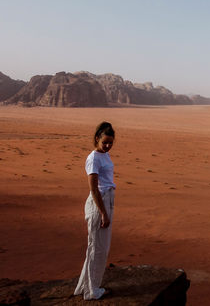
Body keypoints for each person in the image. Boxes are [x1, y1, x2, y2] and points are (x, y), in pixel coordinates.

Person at [74, 121, 116, 300]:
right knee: (97, 249)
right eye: (104, 142)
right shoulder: (93, 158)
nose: (107, 145)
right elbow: (94, 189)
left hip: (107, 201)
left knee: (98, 247)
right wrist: (103, 213)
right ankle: (92, 291)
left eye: (110, 143)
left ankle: (85, 287)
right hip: (99, 204)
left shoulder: (104, 156)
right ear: (97, 138)